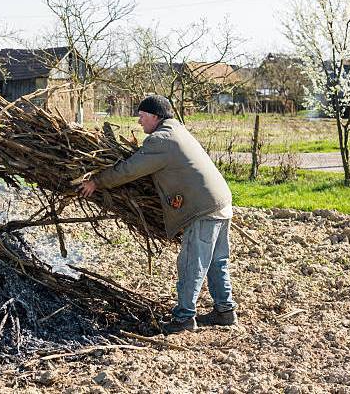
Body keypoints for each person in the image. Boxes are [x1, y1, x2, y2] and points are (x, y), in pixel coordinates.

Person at [78, 95, 237, 333]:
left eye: (142, 117)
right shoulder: (178, 131)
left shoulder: (162, 139)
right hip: (220, 203)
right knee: (216, 261)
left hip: (203, 209)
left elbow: (131, 169)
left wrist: (97, 182)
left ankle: (184, 318)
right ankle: (225, 311)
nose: (140, 123)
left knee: (192, 264)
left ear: (155, 116)